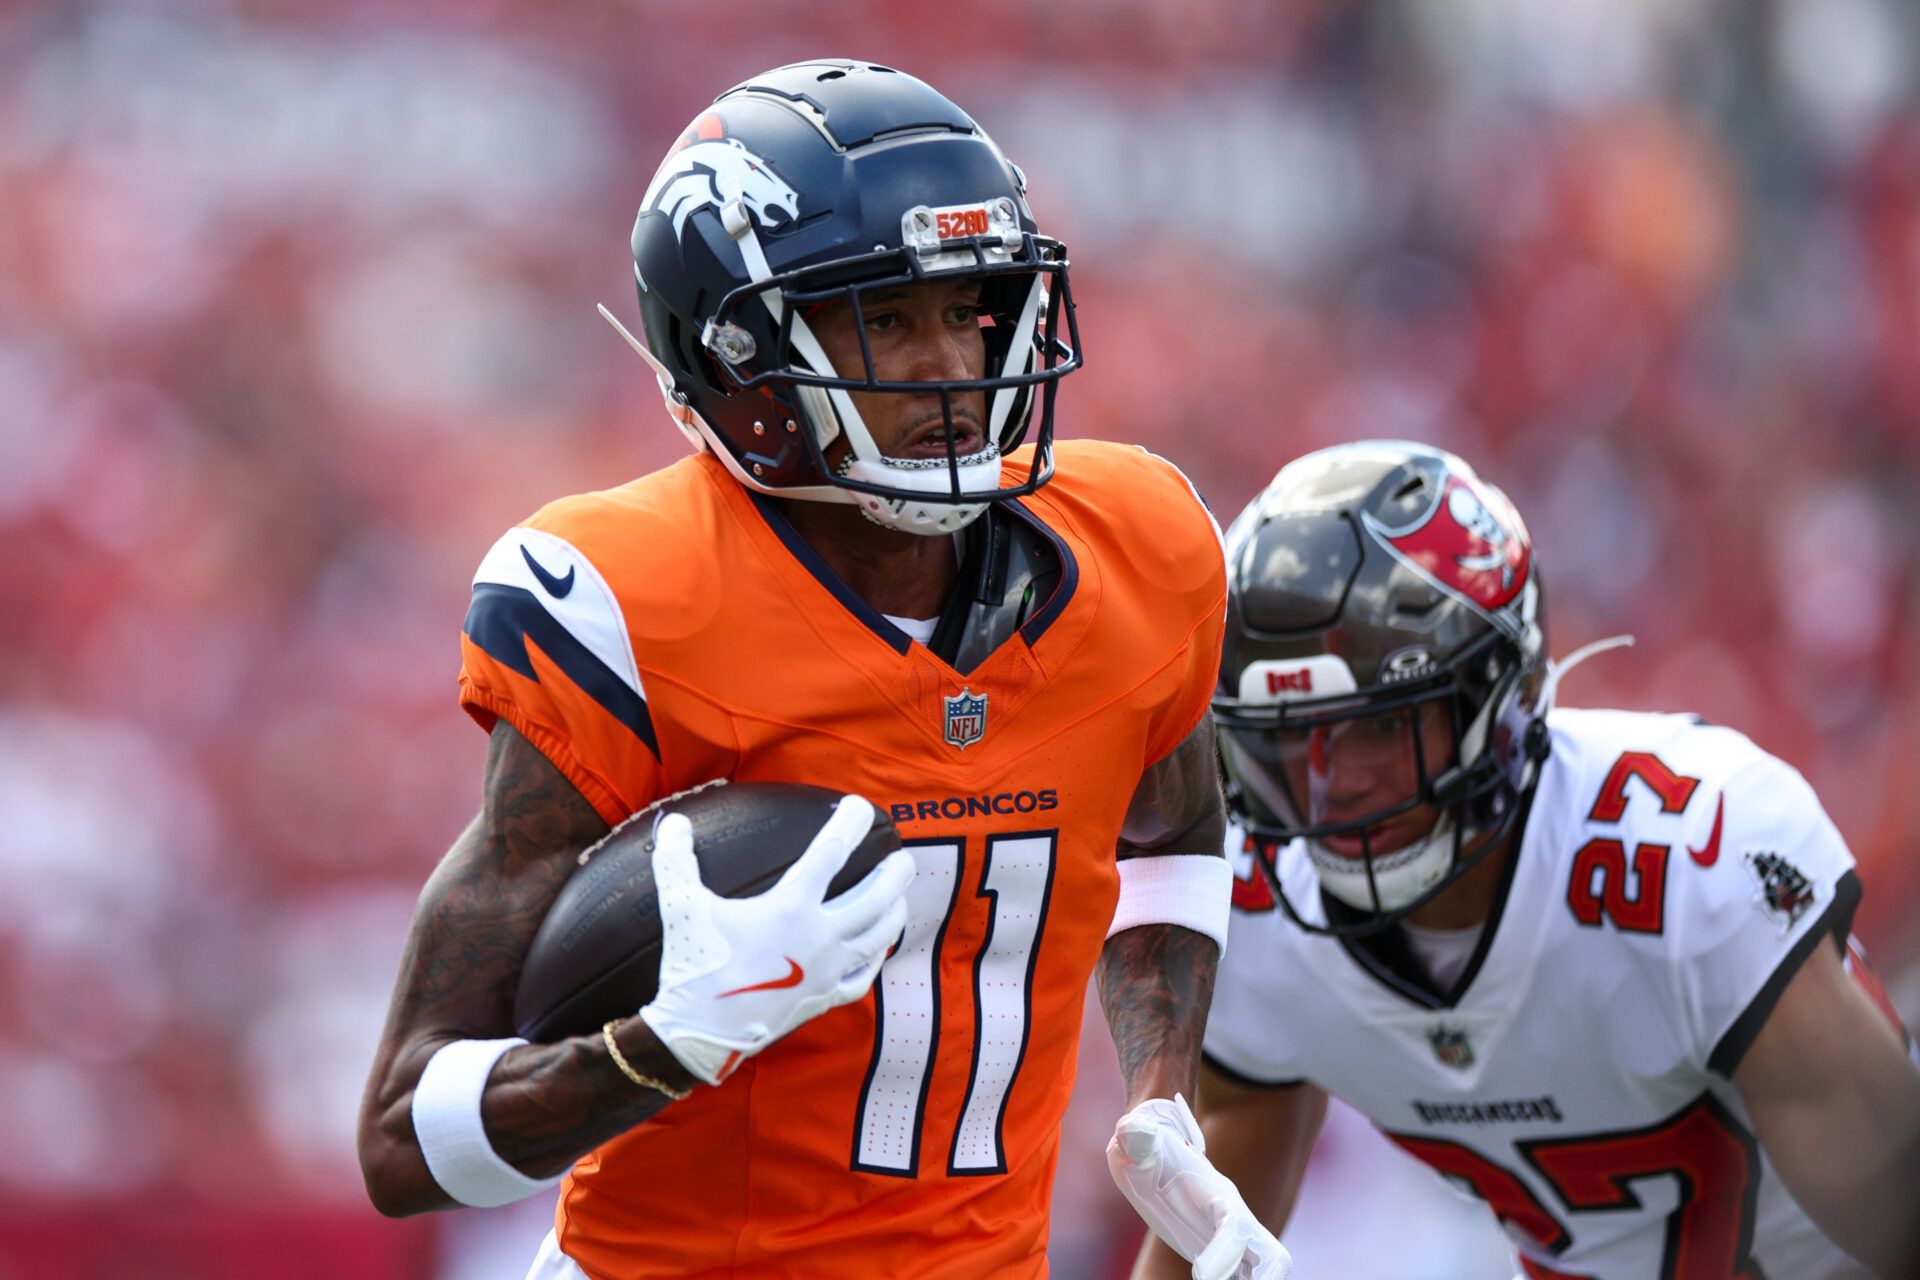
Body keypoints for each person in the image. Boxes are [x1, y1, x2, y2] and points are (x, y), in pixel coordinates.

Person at [356, 59, 1283, 1280]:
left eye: (970, 309)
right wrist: (660, 1044)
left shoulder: (1141, 547)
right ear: (734, 355)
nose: (953, 366)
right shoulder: (635, 597)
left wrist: (1161, 1097)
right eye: (887, 320)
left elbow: (1169, 837)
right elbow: (402, 1139)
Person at [1134, 440, 1920, 1280]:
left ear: (1494, 699)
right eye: (1291, 743)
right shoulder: (1258, 907)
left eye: (1377, 728)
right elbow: (1204, 1240)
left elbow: (1898, 1217)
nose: (1334, 786)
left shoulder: (1686, 859)